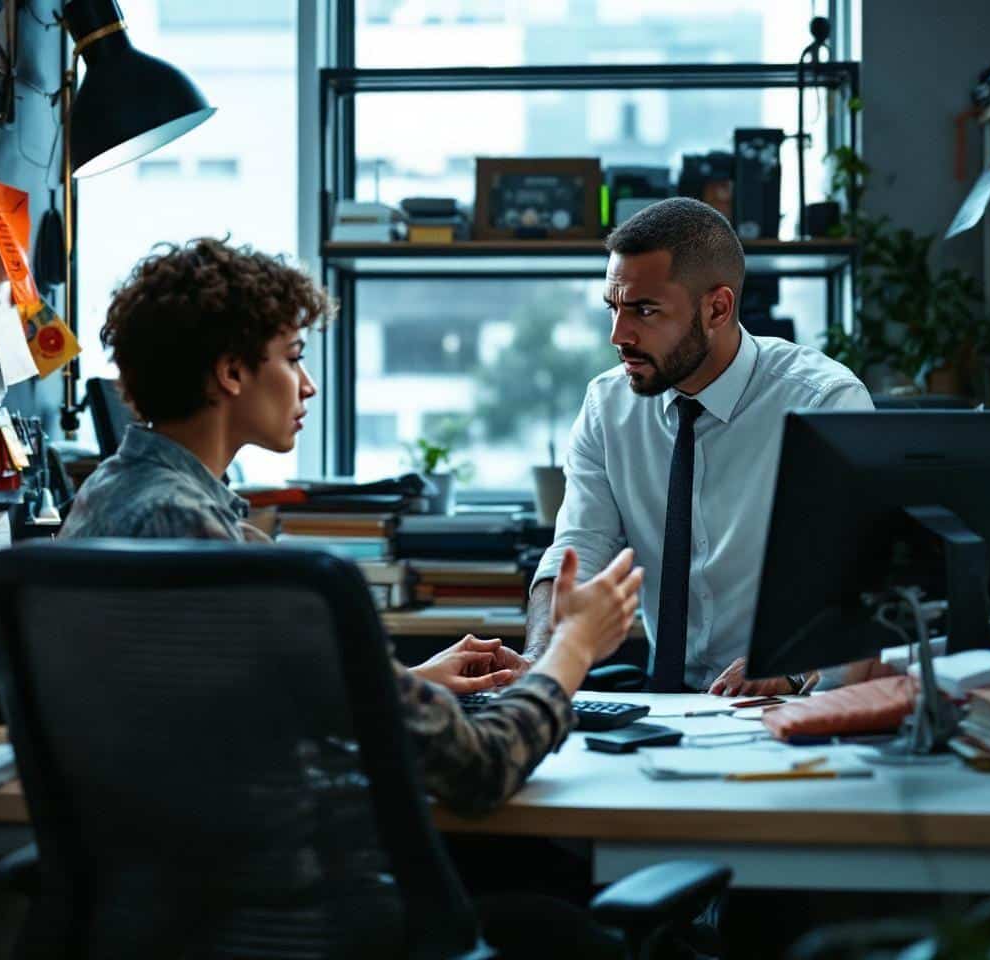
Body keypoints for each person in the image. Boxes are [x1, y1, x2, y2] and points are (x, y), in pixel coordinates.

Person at [62, 237, 644, 819]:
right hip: (297, 899)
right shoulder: (211, 545)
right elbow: (480, 770)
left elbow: (223, 712)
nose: (308, 383)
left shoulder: (104, 500)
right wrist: (573, 646)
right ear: (232, 371)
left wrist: (398, 685)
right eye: (292, 357)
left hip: (154, 892)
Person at [523, 198, 880, 696]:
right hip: (667, 701)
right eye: (614, 307)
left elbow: (864, 590)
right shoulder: (608, 407)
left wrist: (796, 669)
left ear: (717, 308)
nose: (618, 335)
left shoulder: (823, 403)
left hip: (789, 703)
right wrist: (540, 656)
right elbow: (578, 550)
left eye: (644, 310)